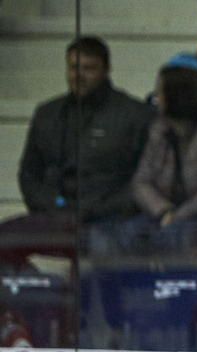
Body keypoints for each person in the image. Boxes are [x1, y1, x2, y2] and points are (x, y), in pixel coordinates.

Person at [0, 36, 153, 273]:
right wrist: (51, 208)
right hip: (54, 217)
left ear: (107, 69)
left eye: (89, 68)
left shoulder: (135, 115)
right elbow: (29, 174)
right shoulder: (47, 114)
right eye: (73, 68)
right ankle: (42, 300)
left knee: (95, 263)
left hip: (109, 222)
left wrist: (98, 210)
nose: (78, 75)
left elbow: (145, 179)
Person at [106, 65, 197, 258]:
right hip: (165, 213)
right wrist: (164, 211)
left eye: (160, 92)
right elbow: (141, 181)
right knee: (125, 232)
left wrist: (178, 217)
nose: (156, 98)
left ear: (177, 95)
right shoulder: (161, 129)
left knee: (173, 235)